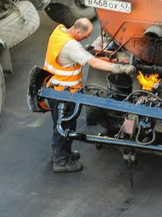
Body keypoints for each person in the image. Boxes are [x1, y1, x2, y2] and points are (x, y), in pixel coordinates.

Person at [43, 18, 135, 173]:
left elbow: (72, 51)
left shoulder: (59, 31)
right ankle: (61, 162)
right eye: (86, 35)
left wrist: (84, 49)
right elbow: (94, 63)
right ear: (78, 31)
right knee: (65, 125)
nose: (87, 38)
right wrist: (119, 68)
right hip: (64, 94)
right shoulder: (71, 46)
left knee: (59, 124)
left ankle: (60, 153)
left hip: (52, 89)